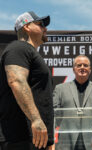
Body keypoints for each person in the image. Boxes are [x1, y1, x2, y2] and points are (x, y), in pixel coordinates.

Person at [0, 11, 54, 150]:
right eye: (40, 24)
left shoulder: (29, 52)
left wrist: (49, 141)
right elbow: (16, 81)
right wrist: (36, 120)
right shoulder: (18, 47)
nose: (45, 29)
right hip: (19, 138)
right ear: (27, 27)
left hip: (35, 139)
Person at [53, 55, 92, 150]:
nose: (82, 67)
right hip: (66, 142)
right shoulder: (60, 89)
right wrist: (50, 140)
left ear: (90, 69)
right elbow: (54, 116)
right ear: (73, 69)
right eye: (79, 65)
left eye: (85, 65)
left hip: (91, 143)